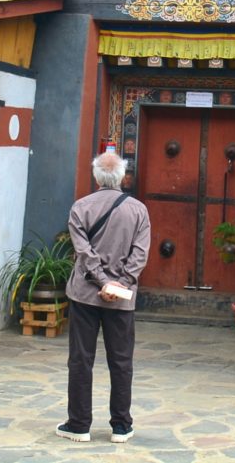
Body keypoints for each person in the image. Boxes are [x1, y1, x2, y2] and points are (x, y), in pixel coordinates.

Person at [56, 152, 151, 444]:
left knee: (81, 359)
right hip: (121, 298)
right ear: (123, 177)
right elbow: (140, 253)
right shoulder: (138, 210)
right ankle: (121, 425)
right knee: (121, 361)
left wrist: (102, 280)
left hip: (85, 294)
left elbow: (83, 252)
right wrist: (119, 284)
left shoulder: (81, 207)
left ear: (96, 177)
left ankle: (79, 424)